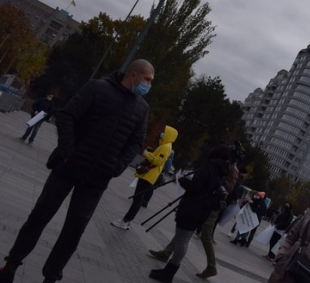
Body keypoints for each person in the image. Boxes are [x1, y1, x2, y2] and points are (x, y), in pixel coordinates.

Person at [0, 60, 152, 283]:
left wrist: (116, 167)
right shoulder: (97, 88)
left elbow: (136, 142)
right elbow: (67, 116)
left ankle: (51, 277)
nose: (149, 84)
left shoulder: (142, 108)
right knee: (39, 216)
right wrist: (68, 151)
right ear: (133, 75)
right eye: (147, 79)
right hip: (68, 166)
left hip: (97, 178)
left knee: (74, 231)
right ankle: (11, 265)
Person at [147, 144, 232, 282]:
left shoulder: (208, 168)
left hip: (192, 208)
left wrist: (182, 180)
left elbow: (195, 187)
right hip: (202, 210)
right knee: (183, 240)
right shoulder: (220, 171)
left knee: (181, 242)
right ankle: (168, 271)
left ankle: (168, 274)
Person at [112, 125, 178, 229]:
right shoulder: (165, 145)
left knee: (137, 199)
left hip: (148, 175)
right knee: (138, 199)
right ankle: (126, 221)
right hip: (148, 175)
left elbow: (157, 161)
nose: (162, 134)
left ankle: (125, 221)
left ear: (169, 135)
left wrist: (146, 154)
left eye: (165, 132)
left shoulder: (166, 147)